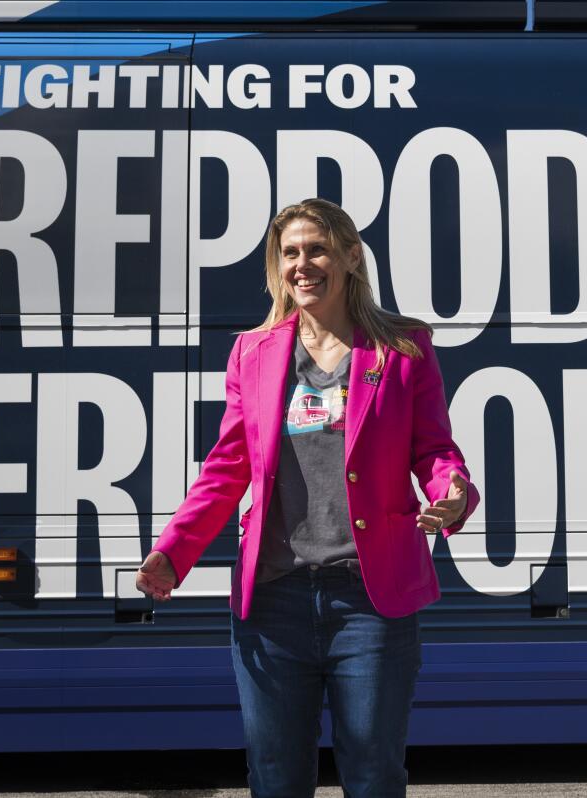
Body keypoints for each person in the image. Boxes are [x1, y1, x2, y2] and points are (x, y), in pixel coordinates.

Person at [134, 198, 480, 798]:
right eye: (289, 253)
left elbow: (433, 449)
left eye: (316, 249)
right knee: (275, 780)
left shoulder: (403, 348)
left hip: (369, 602)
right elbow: (228, 467)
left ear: (350, 256)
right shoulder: (254, 351)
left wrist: (453, 491)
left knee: (373, 776)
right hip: (273, 602)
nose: (302, 264)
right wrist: (174, 552)